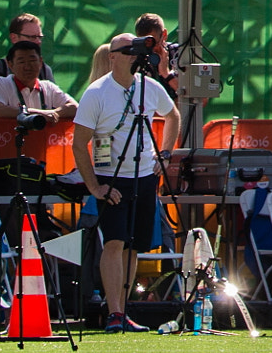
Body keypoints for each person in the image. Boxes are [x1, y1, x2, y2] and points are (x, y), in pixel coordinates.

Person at [74, 33, 179, 332]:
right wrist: (95, 187)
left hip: (145, 176)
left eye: (137, 51)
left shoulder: (148, 87)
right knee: (115, 241)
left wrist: (166, 153)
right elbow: (79, 143)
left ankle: (123, 310)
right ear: (113, 57)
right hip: (112, 177)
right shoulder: (96, 93)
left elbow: (172, 114)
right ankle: (114, 313)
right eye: (128, 51)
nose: (135, 56)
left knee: (134, 246)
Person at [0, 40, 77, 124]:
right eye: (21, 62)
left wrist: (54, 113)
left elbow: (75, 107)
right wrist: (39, 114)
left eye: (32, 61)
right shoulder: (1, 83)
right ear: (10, 64)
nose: (27, 67)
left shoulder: (48, 87)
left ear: (40, 62)